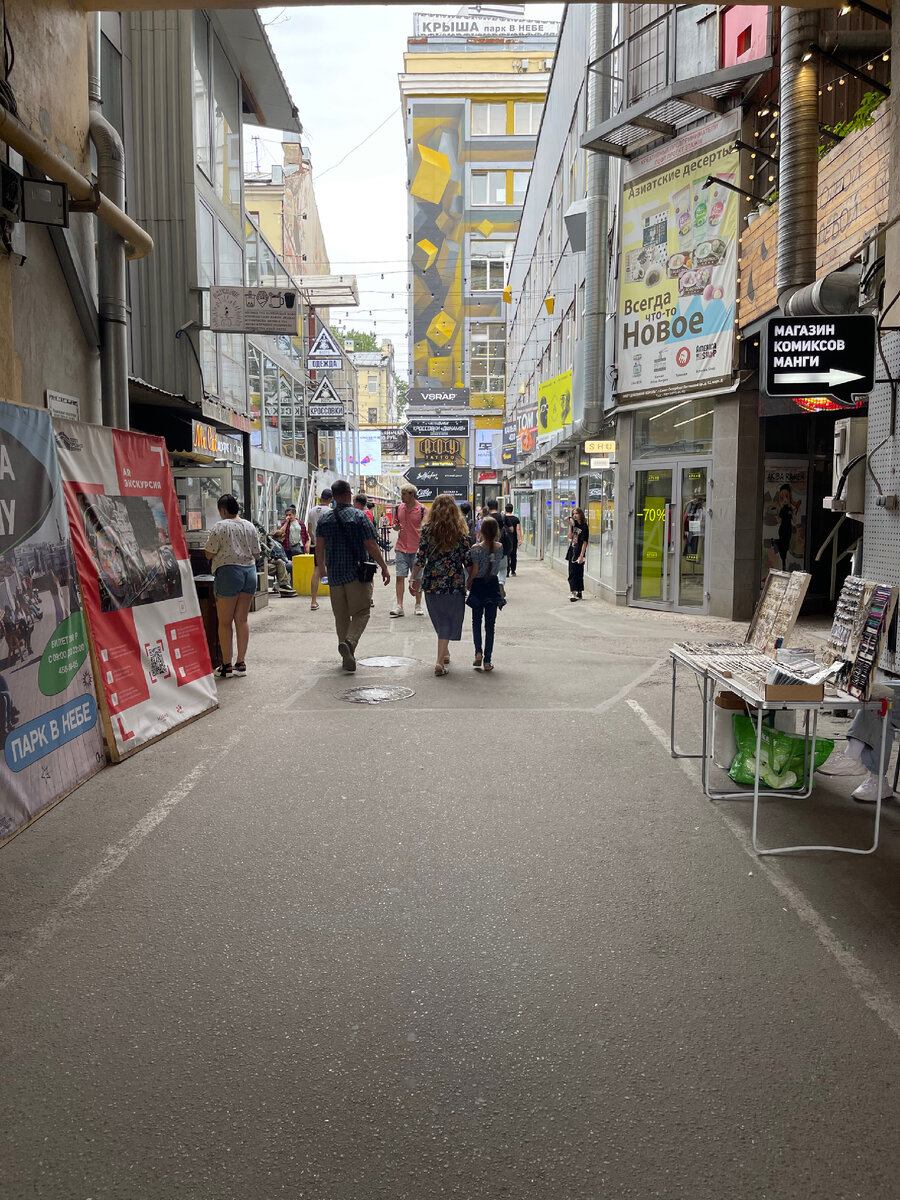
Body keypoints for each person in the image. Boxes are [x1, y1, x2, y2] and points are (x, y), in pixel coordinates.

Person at [315, 479, 390, 672]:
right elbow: (371, 544)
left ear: (333, 496)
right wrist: (383, 567)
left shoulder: (325, 519)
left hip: (334, 573)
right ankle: (349, 643)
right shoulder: (360, 516)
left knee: (341, 616)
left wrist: (321, 569)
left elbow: (319, 547)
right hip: (356, 573)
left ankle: (346, 656)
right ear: (349, 494)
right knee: (362, 611)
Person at [408, 494, 470, 676]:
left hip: (432, 582)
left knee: (440, 619)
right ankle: (439, 662)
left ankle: (445, 652)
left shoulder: (427, 530)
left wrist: (412, 578)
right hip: (454, 582)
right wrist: (472, 578)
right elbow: (466, 558)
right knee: (449, 619)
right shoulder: (460, 531)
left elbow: (420, 557)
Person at [204, 494, 261, 679]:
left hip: (229, 573)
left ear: (222, 510)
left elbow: (208, 553)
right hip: (249, 573)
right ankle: (241, 663)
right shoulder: (249, 526)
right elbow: (256, 554)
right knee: (242, 620)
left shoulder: (220, 527)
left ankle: (226, 665)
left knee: (225, 621)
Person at [466, 515, 506, 672]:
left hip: (479, 585)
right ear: (496, 531)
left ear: (481, 530)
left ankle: (478, 652)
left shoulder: (475, 549)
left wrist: (469, 581)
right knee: (490, 625)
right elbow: (497, 565)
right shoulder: (500, 547)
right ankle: (488, 661)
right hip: (492, 585)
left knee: (476, 622)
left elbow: (475, 570)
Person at [391, 484, 425, 618]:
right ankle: (399, 606)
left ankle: (418, 604)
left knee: (417, 578)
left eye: (404, 494)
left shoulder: (422, 509)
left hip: (417, 548)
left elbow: (427, 527)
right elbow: (395, 524)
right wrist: (396, 527)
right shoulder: (399, 508)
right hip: (401, 547)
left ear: (412, 494)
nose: (402, 496)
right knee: (399, 576)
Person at [307, 488, 333, 612]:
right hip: (329, 545)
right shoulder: (331, 512)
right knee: (332, 570)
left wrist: (315, 541)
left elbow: (309, 529)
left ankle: (313, 601)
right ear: (331, 499)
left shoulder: (312, 511)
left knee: (316, 570)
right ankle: (336, 599)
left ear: (321, 497)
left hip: (317, 545)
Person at [567, 507, 589, 601]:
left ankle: (579, 592)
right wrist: (569, 524)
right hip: (572, 551)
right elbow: (570, 537)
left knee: (579, 573)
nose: (574, 515)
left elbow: (585, 542)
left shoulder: (584, 527)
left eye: (576, 513)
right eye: (573, 514)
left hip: (579, 552)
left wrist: (581, 555)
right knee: (572, 573)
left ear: (580, 514)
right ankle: (574, 592)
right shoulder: (574, 525)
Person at [503, 503, 523, 575]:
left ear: (505, 509)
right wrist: (520, 539)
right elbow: (518, 529)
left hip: (505, 539)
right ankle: (513, 570)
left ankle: (507, 571)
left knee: (506, 555)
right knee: (513, 554)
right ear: (512, 510)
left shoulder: (503, 518)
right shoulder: (516, 519)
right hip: (513, 539)